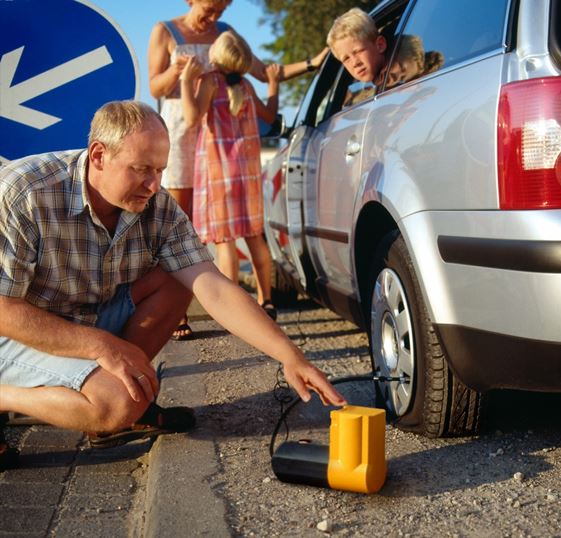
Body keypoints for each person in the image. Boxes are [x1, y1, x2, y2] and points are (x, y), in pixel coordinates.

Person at [0, 101, 346, 468]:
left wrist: (289, 356)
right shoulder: (25, 193)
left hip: (80, 318)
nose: (154, 185)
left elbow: (212, 286)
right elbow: (4, 311)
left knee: (180, 278)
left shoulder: (156, 205)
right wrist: (102, 346)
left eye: (161, 170)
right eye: (141, 170)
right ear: (99, 155)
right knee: (118, 402)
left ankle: (118, 399)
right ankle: (24, 398)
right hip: (15, 330)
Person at [148, 0, 326, 338]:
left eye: (221, 10)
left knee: (216, 231)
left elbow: (262, 71)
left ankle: (230, 307)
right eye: (210, 8)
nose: (215, 16)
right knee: (177, 226)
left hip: (211, 140)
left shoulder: (225, 36)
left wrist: (311, 63)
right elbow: (155, 86)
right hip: (182, 134)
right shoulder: (164, 31)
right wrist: (179, 72)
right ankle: (177, 313)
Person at [180, 30, 279, 319]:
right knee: (253, 237)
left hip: (218, 171)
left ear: (216, 57)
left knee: (225, 243)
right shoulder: (246, 85)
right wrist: (273, 85)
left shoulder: (210, 81)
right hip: (247, 174)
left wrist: (186, 80)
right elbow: (270, 117)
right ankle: (267, 300)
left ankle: (233, 310)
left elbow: (191, 118)